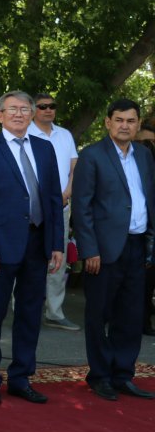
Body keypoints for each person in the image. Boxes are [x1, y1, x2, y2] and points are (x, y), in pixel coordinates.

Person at [0, 90, 63, 406]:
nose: (19, 114)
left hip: (37, 243)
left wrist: (56, 244)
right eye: (12, 109)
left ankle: (21, 378)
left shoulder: (45, 148)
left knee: (30, 314)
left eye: (25, 109)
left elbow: (53, 199)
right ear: (0, 115)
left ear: (32, 114)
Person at [71, 98, 155, 401]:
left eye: (131, 121)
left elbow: (149, 198)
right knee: (99, 314)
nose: (124, 126)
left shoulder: (144, 155)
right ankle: (100, 376)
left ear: (138, 124)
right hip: (103, 251)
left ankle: (122, 375)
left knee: (130, 316)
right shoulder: (92, 155)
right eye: (119, 120)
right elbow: (82, 207)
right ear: (108, 122)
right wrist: (89, 250)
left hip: (137, 246)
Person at [28, 93, 80, 331]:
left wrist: (67, 192)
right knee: (28, 259)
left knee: (59, 259)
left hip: (61, 206)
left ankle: (55, 312)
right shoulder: (25, 133)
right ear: (33, 110)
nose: (48, 110)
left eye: (52, 106)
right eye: (43, 106)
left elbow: (74, 167)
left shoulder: (65, 134)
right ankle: (24, 311)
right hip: (33, 209)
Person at [135, 122, 155, 336]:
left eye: (150, 142)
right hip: (142, 235)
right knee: (143, 282)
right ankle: (141, 322)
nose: (147, 146)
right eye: (142, 142)